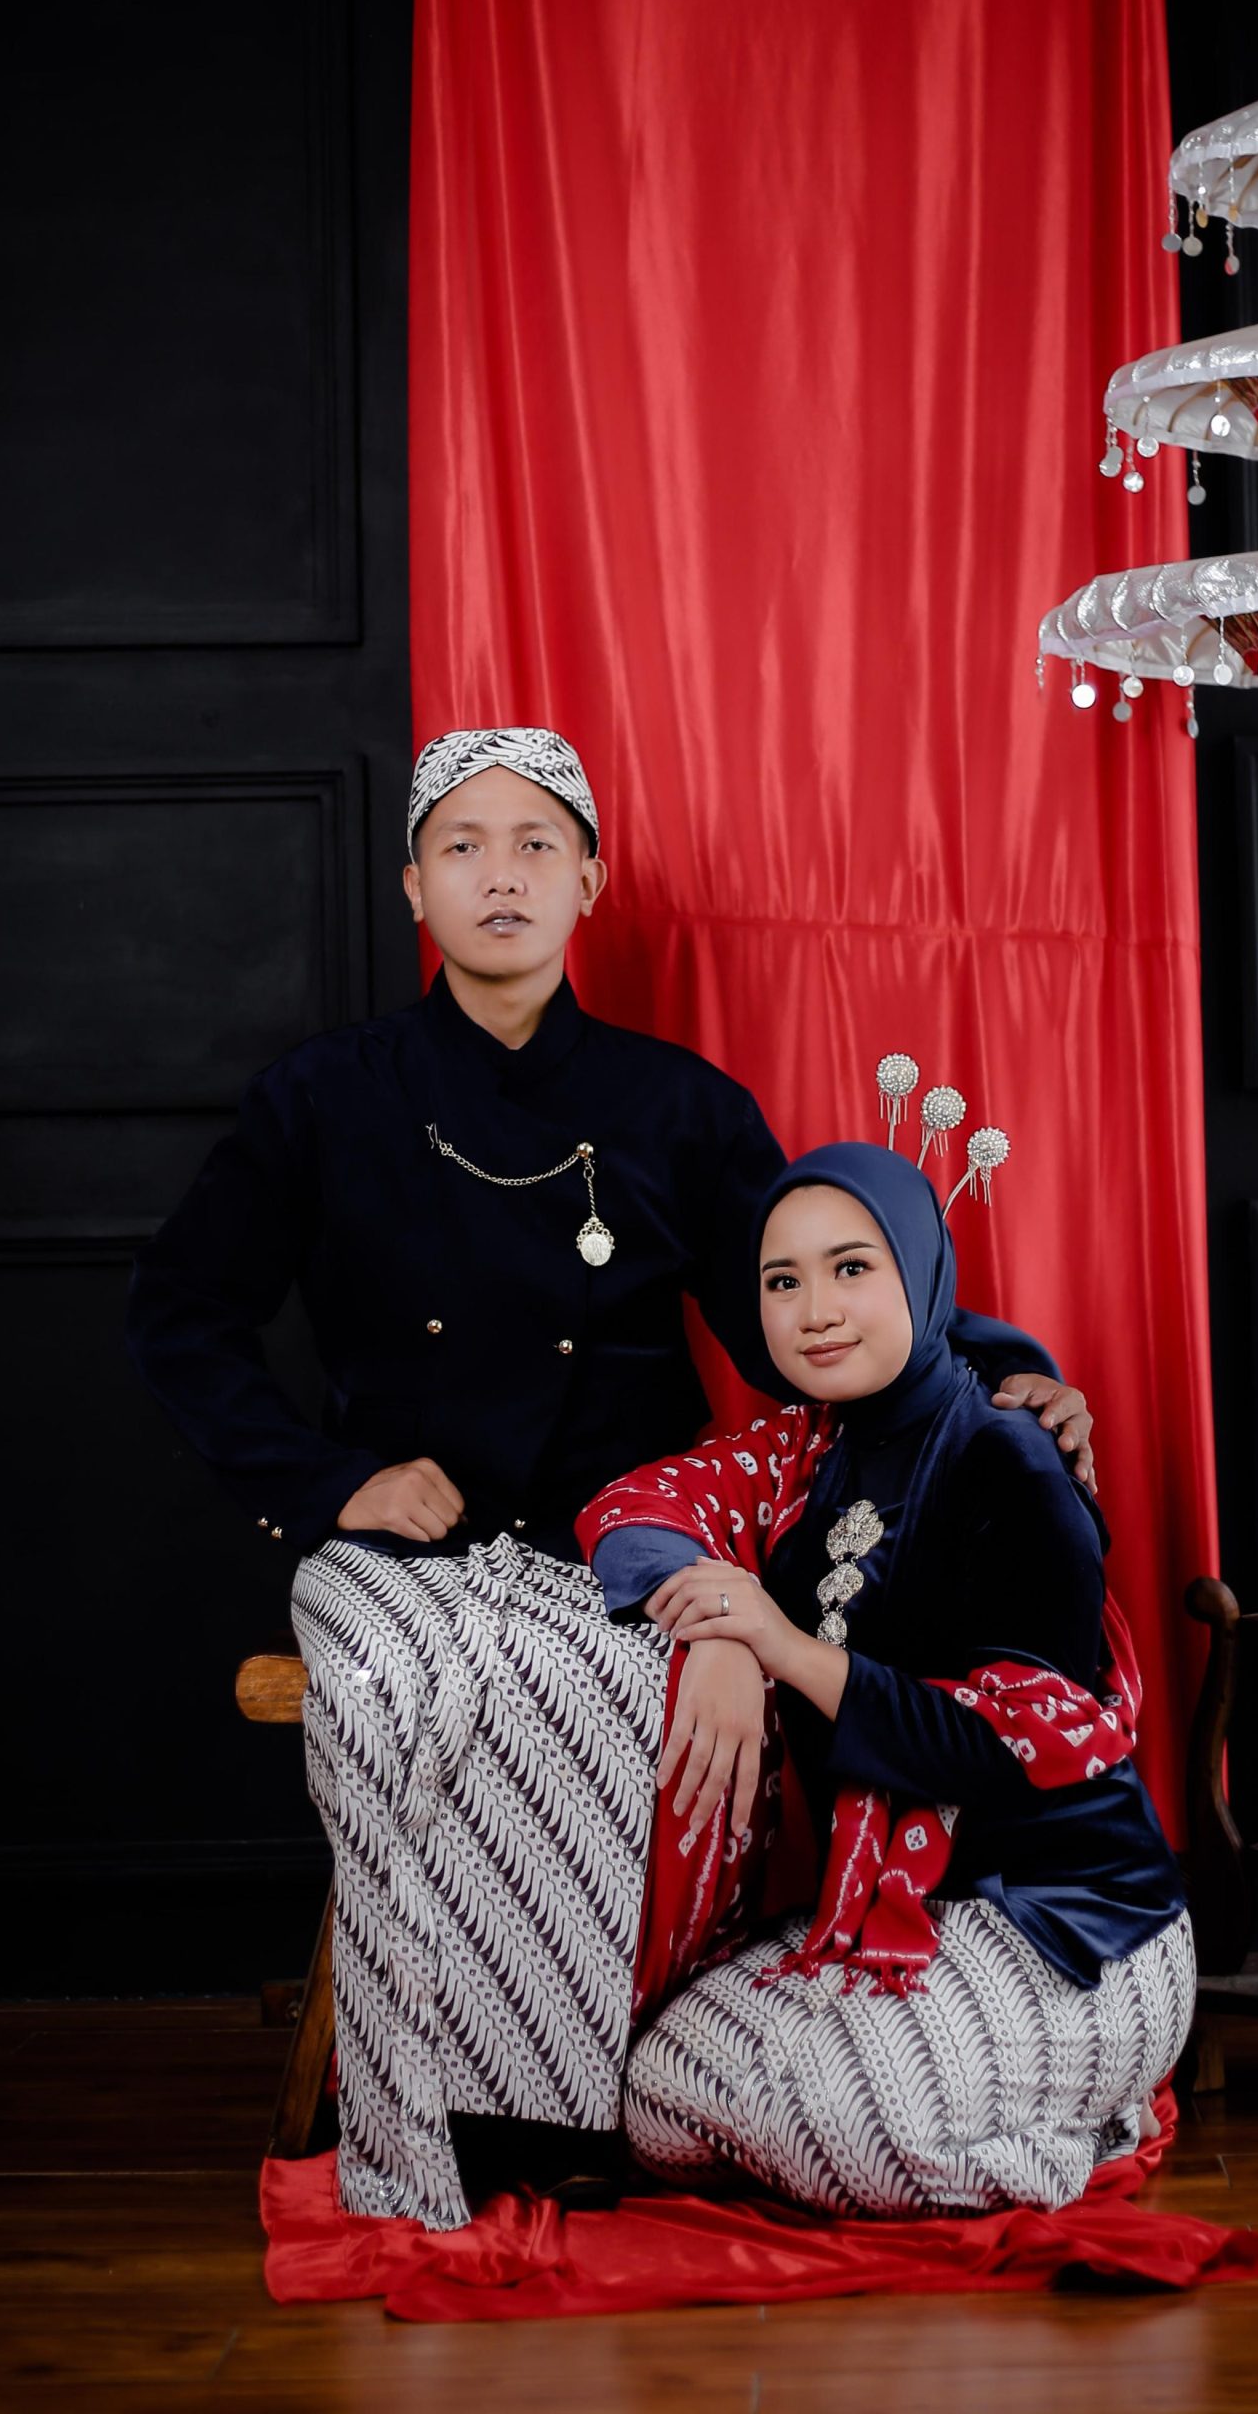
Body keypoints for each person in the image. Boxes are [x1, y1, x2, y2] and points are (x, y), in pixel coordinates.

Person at [127, 729, 1096, 2230]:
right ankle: (428, 2127)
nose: (500, 874)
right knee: (390, 1697)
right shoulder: (320, 1098)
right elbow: (179, 1313)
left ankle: (575, 2111)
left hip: (633, 1549)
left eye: (536, 844)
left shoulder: (680, 1107)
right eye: (462, 846)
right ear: (413, 887)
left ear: (589, 879)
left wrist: (999, 1380)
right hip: (399, 1554)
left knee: (633, 1703)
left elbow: (815, 1310)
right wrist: (331, 1483)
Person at [578, 1143, 1192, 2216]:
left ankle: (1089, 2127)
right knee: (652, 2098)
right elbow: (634, 1507)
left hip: (1070, 1924)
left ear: (918, 1269)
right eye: (783, 1281)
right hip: (887, 1913)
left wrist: (781, 1644)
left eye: (852, 1268)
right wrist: (718, 1629)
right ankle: (903, 2100)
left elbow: (999, 1753)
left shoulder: (1012, 1459)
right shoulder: (800, 1454)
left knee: (847, 2126)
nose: (815, 1311)